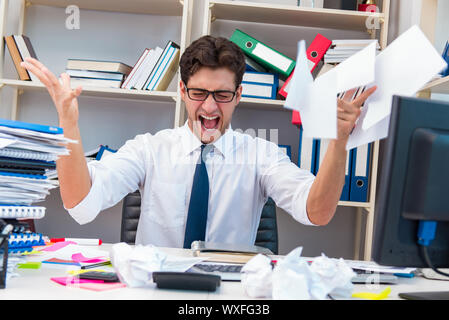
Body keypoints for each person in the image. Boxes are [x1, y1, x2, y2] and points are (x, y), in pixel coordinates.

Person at [21, 35, 376, 248]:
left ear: (239, 95)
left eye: (222, 94)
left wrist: (338, 143)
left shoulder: (261, 155)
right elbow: (80, 204)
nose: (208, 106)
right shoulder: (149, 149)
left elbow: (317, 212)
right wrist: (67, 123)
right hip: (154, 290)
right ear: (182, 91)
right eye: (198, 93)